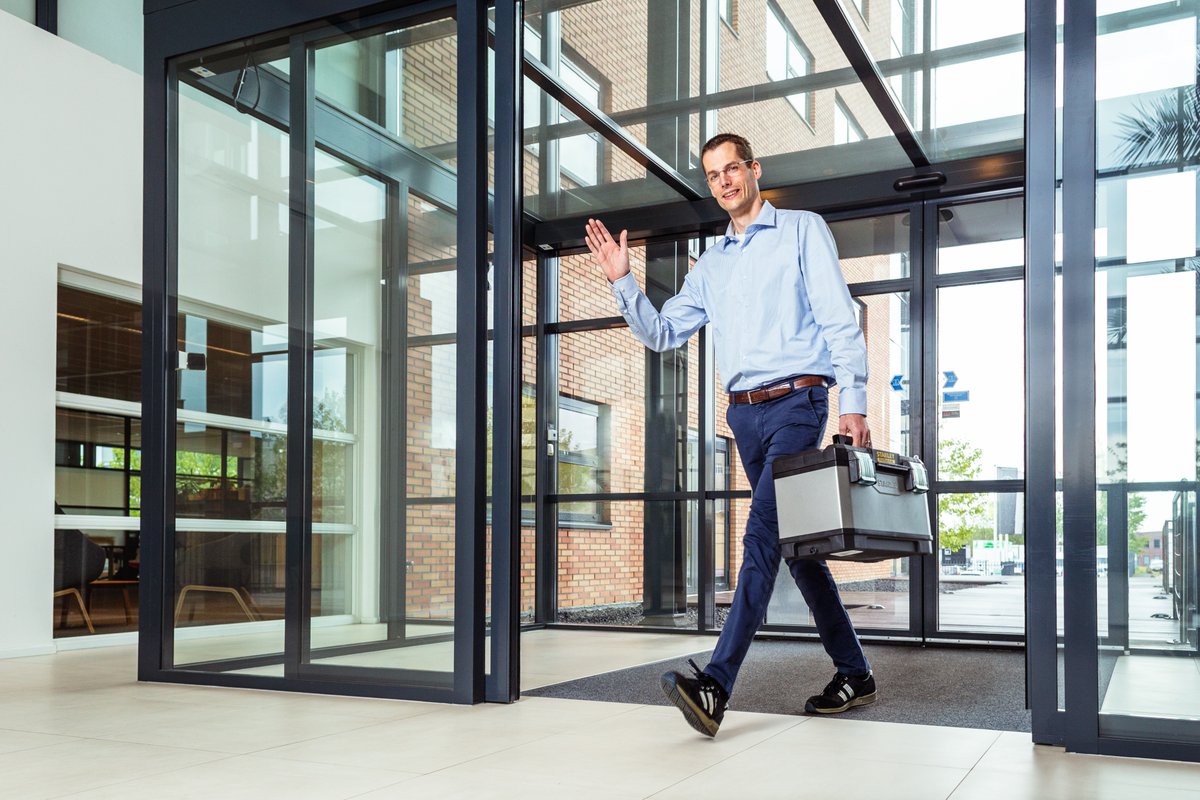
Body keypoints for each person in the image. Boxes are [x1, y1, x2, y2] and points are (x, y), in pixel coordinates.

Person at [584, 133, 876, 738]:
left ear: (753, 169)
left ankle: (716, 683)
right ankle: (856, 670)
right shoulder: (711, 264)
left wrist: (854, 400)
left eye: (732, 168)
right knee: (798, 549)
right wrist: (623, 282)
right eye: (713, 174)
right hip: (744, 415)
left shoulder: (801, 229)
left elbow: (837, 315)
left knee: (761, 537)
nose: (724, 181)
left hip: (799, 401)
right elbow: (665, 334)